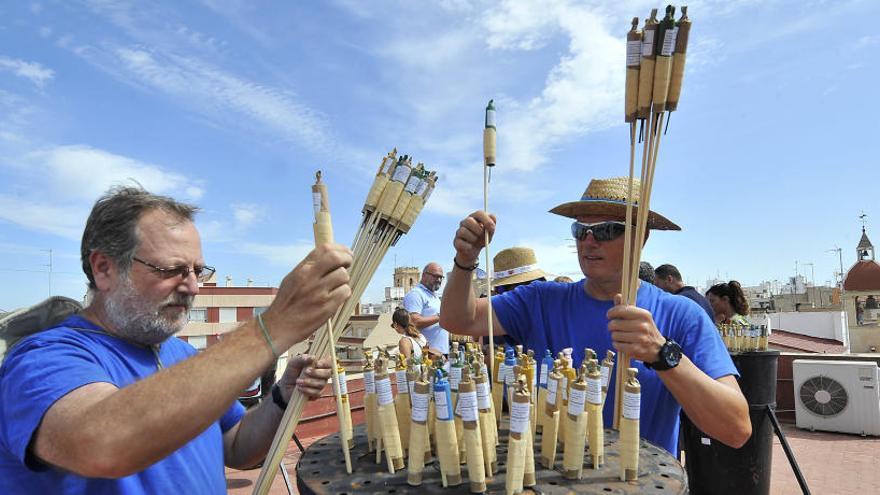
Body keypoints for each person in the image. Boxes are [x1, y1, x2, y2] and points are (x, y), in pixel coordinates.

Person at [0, 186, 353, 494]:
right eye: (171, 270)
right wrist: (274, 325)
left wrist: (281, 398)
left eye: (198, 271)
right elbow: (101, 444)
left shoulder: (180, 354)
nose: (193, 287)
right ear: (104, 268)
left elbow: (237, 446)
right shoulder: (43, 359)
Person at [440, 177, 751, 453]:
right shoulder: (542, 300)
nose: (589, 241)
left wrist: (663, 355)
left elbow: (736, 429)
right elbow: (458, 320)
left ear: (641, 238)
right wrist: (465, 261)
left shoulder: (681, 315)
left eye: (606, 230)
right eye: (581, 230)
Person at [403, 262, 449, 356]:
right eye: (435, 276)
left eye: (441, 277)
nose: (439, 280)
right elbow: (413, 322)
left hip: (440, 354)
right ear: (424, 275)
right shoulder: (416, 294)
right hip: (427, 356)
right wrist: (442, 316)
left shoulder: (433, 295)